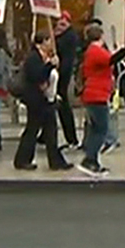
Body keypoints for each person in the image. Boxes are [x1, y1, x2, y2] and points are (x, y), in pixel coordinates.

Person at [77, 24, 125, 176]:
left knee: (95, 129)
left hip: (94, 94)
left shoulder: (91, 51)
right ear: (101, 36)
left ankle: (93, 160)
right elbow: (112, 60)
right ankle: (89, 160)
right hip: (97, 94)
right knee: (101, 129)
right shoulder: (96, 51)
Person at [13, 32, 73, 171]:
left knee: (51, 131)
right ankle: (22, 160)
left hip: (47, 100)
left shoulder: (44, 57)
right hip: (36, 100)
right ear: (42, 42)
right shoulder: (33, 57)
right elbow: (37, 76)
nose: (51, 44)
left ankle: (56, 161)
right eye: (48, 41)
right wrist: (50, 66)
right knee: (33, 130)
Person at [53, 11, 81, 149]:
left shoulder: (68, 38)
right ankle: (44, 135)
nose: (60, 26)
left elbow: (66, 59)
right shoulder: (63, 36)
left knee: (62, 105)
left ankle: (71, 138)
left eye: (63, 23)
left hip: (61, 76)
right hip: (60, 74)